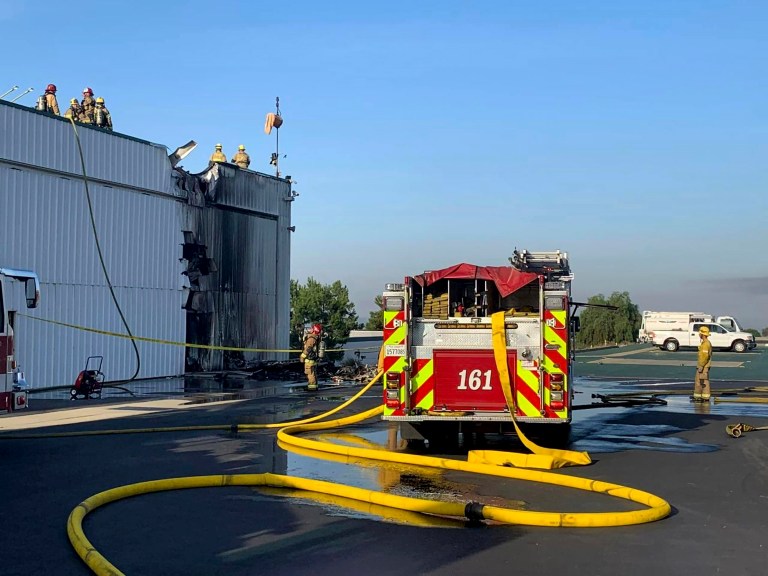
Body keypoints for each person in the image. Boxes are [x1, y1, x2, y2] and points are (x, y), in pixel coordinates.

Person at [300, 323, 323, 391]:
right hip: (313, 360)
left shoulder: (311, 339)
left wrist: (302, 357)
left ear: (314, 330)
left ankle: (312, 388)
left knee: (310, 374)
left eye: (311, 328)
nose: (310, 329)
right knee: (313, 373)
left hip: (309, 360)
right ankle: (314, 386)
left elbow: (307, 349)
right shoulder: (316, 338)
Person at [693, 326, 713, 402]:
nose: (699, 335)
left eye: (700, 333)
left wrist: (701, 366)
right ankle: (701, 396)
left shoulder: (705, 344)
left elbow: (704, 356)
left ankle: (702, 397)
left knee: (702, 382)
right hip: (704, 366)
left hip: (703, 366)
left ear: (702, 334)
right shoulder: (705, 343)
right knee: (702, 382)